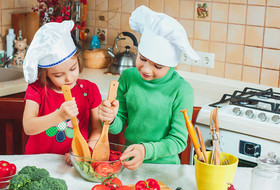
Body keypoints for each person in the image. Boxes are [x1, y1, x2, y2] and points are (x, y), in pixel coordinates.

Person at [98, 6, 200, 170]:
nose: (146, 69)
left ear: (172, 64)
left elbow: (179, 141)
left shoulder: (182, 90)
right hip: (129, 163)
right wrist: (109, 119)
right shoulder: (128, 77)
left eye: (157, 66)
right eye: (142, 58)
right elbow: (119, 123)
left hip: (165, 169)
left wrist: (145, 150)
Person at [22, 20, 102, 165]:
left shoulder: (89, 90)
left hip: (74, 163)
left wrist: (85, 152)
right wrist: (59, 116)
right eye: (58, 75)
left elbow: (97, 130)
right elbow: (28, 127)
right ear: (45, 74)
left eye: (73, 68)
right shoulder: (37, 90)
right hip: (38, 162)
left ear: (78, 60)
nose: (69, 78)